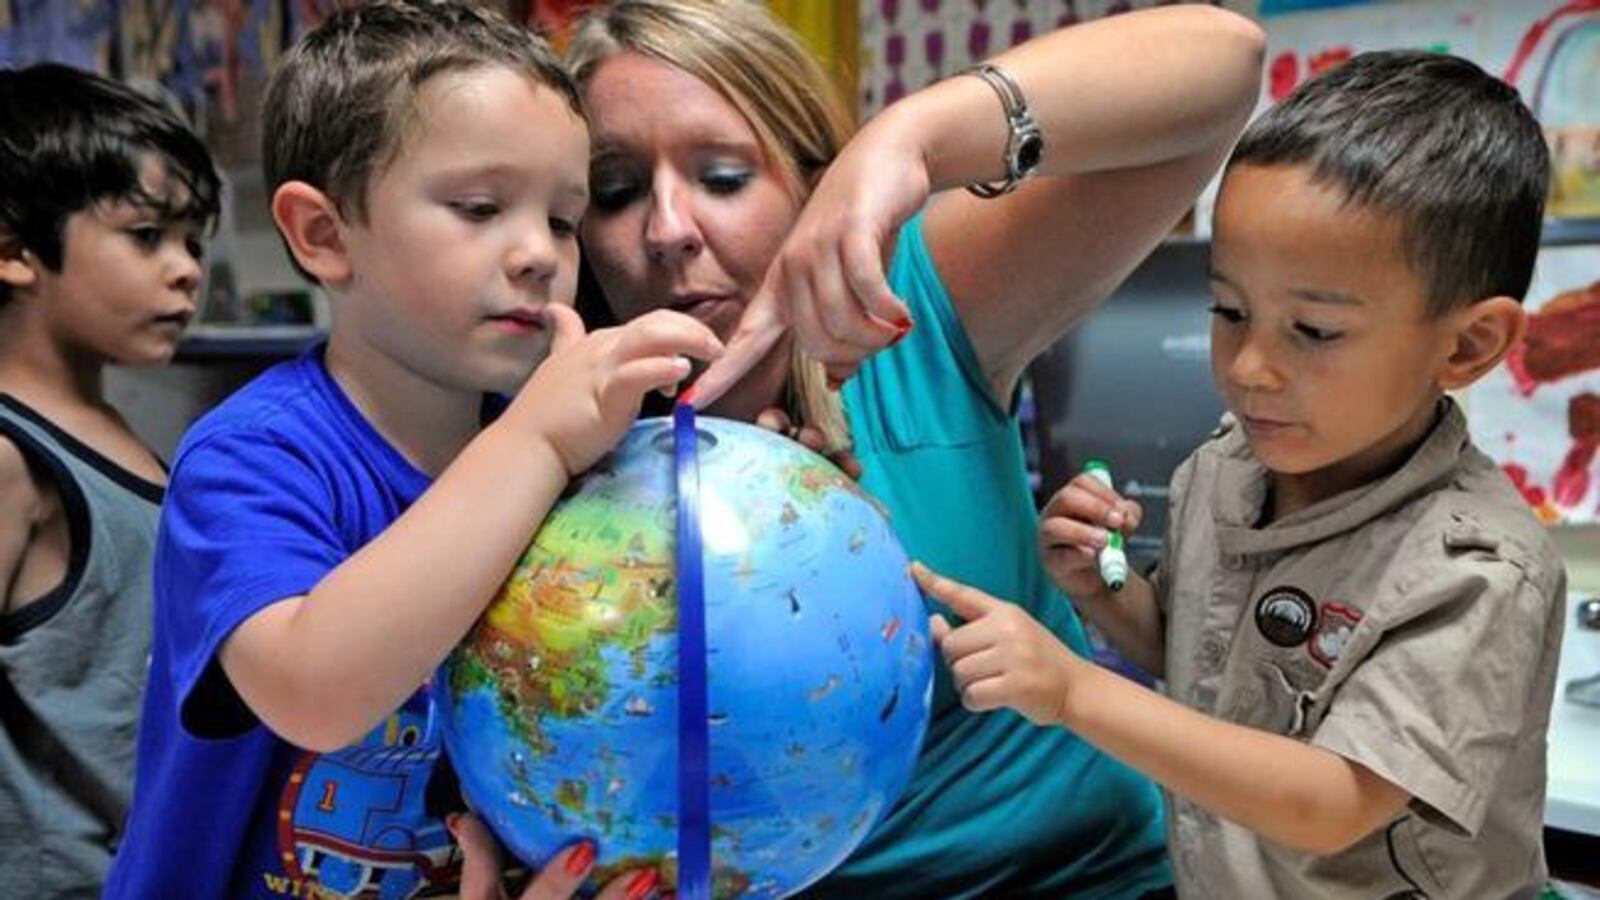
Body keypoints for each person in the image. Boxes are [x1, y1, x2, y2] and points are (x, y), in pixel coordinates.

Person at [564, 2, 1265, 895]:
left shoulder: (914, 313)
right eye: (614, 193)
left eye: (726, 177)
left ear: (815, 186)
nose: (667, 229)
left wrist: (911, 138)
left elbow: (1224, 63)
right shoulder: (564, 447)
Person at [103, 3, 720, 897]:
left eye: (561, 219)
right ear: (322, 234)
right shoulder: (253, 459)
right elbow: (315, 691)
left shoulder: (571, 468)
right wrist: (537, 438)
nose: (538, 255)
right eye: (479, 207)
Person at [917, 50, 1567, 898]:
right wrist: (1103, 590)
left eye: (1315, 332)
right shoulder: (1226, 467)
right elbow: (1200, 658)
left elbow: (1328, 802)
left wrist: (1072, 689)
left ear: (1468, 345)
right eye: (1230, 312)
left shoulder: (1475, 575)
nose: (1250, 366)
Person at [0, 62, 219, 898]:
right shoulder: (14, 457)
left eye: (194, 242)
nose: (186, 269)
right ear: (15, 249)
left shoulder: (121, 434)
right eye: (146, 236)